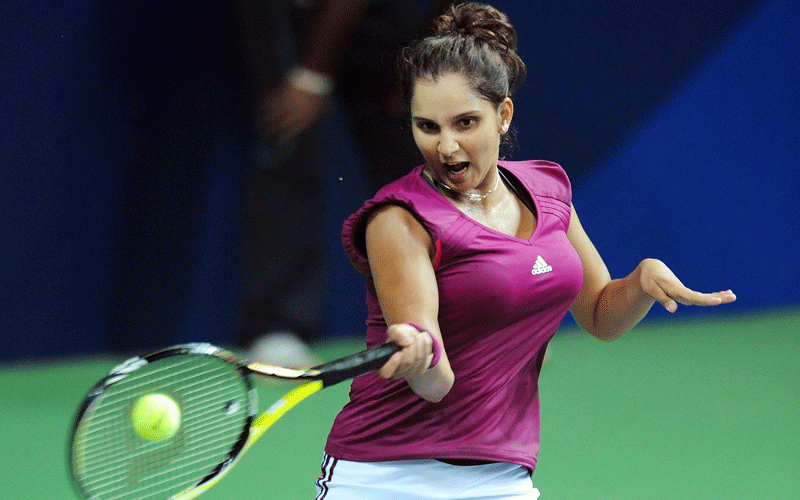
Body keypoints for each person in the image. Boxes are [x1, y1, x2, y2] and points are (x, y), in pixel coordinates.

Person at [316, 2, 737, 498]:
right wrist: (419, 354)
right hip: (385, 476)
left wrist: (641, 281)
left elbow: (601, 317)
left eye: (465, 123)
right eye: (427, 126)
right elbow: (436, 383)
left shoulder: (548, 190)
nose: (446, 146)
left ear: (503, 115)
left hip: (500, 474)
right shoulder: (399, 220)